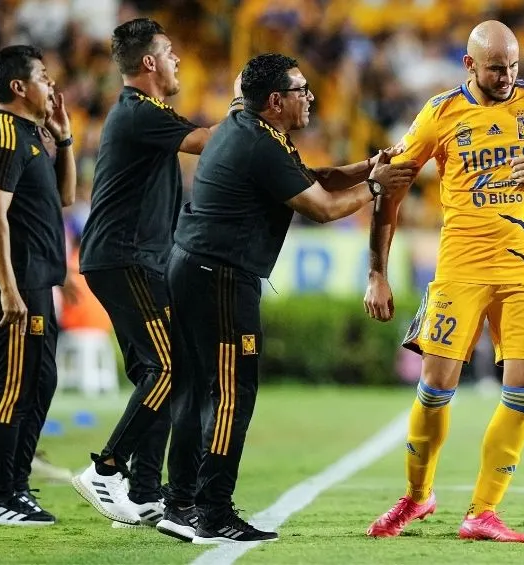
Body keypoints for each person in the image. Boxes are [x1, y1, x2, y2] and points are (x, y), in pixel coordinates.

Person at [157, 53, 416, 544]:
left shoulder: (249, 129)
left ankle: (181, 502)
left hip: (193, 266)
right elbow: (322, 208)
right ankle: (212, 512)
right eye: (302, 90)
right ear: (276, 101)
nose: (311, 97)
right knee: (233, 395)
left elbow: (312, 178)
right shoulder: (259, 142)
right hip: (222, 277)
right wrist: (374, 187)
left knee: (195, 392)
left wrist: (366, 168)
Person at [364, 20, 524, 542]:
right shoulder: (440, 112)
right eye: (495, 67)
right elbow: (389, 187)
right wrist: (377, 271)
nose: (507, 76)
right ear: (470, 65)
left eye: (513, 65)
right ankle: (417, 498)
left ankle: (483, 512)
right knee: (436, 385)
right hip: (461, 265)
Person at [71, 18, 240, 527]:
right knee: (166, 370)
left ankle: (145, 490)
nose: (178, 60)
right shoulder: (138, 111)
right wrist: (249, 109)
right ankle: (105, 469)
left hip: (136, 258)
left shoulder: (147, 114)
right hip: (125, 258)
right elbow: (209, 140)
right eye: (169, 52)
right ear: (148, 62)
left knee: (164, 372)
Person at [0, 45, 76, 525]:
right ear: (18, 86)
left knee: (40, 380)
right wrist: (8, 288)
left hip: (36, 280)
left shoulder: (32, 135)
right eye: (42, 76)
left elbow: (64, 198)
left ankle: (16, 486)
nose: (51, 85)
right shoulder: (6, 134)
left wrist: (66, 141)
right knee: (13, 386)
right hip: (13, 284)